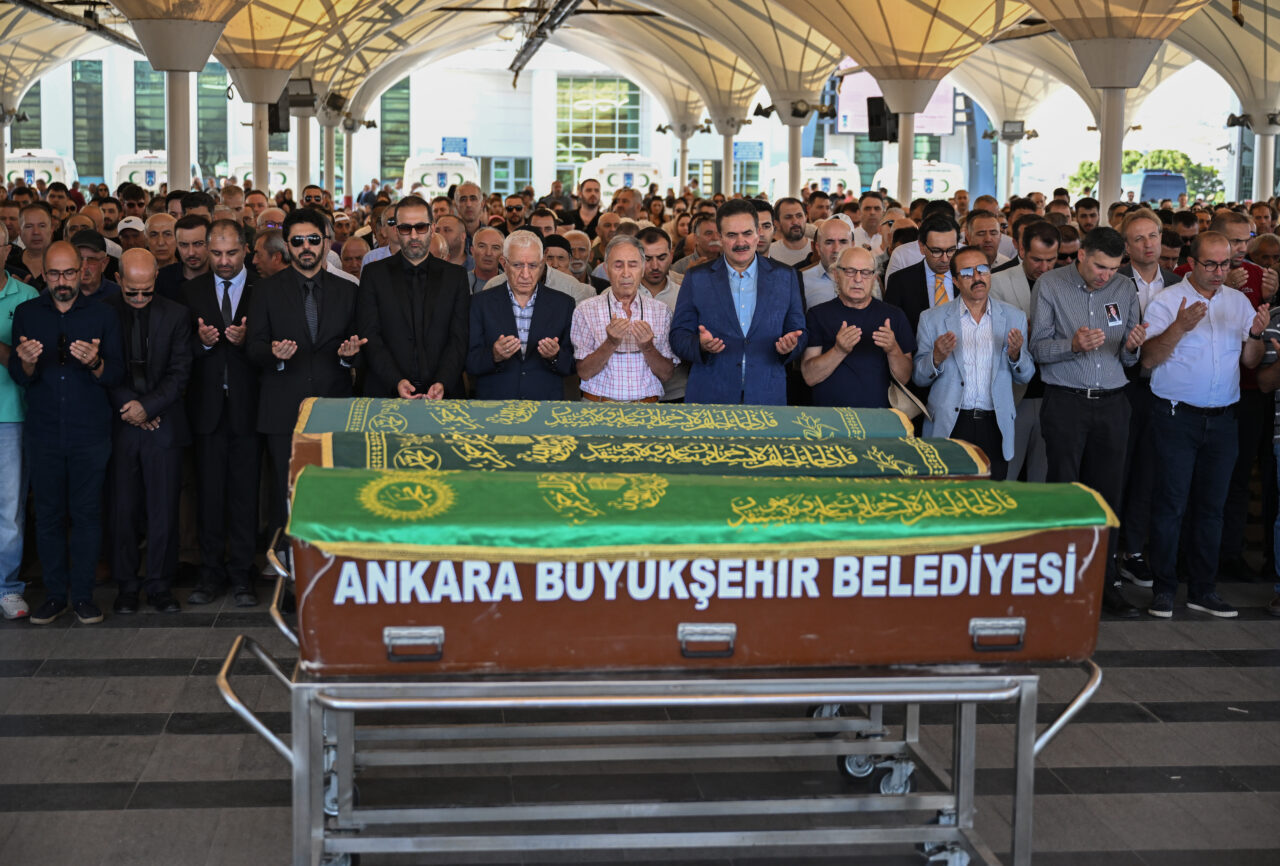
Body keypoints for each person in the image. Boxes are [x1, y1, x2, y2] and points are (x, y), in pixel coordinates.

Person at [1141, 231, 1271, 619]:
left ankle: (1203, 589)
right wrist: (1179, 327)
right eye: (1210, 264)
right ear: (1192, 262)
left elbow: (1250, 361)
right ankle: (1164, 589)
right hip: (1175, 417)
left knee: (1212, 509)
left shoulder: (1238, 302)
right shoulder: (1167, 301)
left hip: (1223, 420)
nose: (1218, 271)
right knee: (1170, 505)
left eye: (1225, 264)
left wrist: (1255, 334)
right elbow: (1148, 359)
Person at [1030, 227, 1148, 617]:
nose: (1106, 275)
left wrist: (1132, 348)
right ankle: (1059, 584)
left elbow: (1128, 359)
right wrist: (1072, 345)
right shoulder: (1050, 284)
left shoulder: (1124, 288)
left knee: (1108, 497)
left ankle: (1105, 583)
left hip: (1113, 403)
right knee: (1065, 494)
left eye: (1113, 268)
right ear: (1081, 254)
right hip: (1066, 402)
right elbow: (1037, 348)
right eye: (1100, 266)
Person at [9, 242, 124, 625]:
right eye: (55, 274)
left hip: (90, 431)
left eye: (69, 273)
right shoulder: (27, 314)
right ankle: (56, 596)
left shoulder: (104, 314)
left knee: (88, 514)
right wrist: (26, 364)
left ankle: (84, 597)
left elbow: (116, 373)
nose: (62, 281)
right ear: (44, 273)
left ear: (82, 271)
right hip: (43, 431)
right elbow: (19, 376)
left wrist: (96, 363)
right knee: (48, 516)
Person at [247, 208, 364, 549]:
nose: (306, 247)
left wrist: (349, 356)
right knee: (285, 494)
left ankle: (331, 565)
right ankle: (286, 567)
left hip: (334, 407)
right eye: (297, 241)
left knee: (333, 491)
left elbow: (361, 346)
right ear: (287, 245)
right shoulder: (266, 290)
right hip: (282, 408)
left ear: (326, 242)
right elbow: (253, 348)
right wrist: (274, 354)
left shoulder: (348, 290)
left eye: (313, 239)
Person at [105, 249, 192, 615]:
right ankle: (126, 585)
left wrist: (149, 408)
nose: (140, 298)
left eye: (147, 290)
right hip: (121, 424)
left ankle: (159, 585)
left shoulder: (177, 314)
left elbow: (180, 373)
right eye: (132, 291)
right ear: (118, 280)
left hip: (163, 424)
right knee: (122, 511)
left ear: (156, 278)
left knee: (163, 511)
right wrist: (132, 407)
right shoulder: (104, 312)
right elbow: (102, 368)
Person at [182, 220, 261, 608]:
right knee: (209, 496)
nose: (224, 261)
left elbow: (270, 348)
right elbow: (178, 350)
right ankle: (210, 574)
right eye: (216, 253)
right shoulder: (191, 291)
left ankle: (243, 575)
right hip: (207, 410)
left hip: (250, 409)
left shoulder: (265, 288)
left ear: (246, 249)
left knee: (246, 497)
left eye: (231, 253)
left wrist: (248, 342)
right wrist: (202, 344)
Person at [914, 247, 1035, 480]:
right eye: (968, 273)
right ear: (955, 281)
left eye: (982, 270)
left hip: (995, 424)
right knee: (948, 496)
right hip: (952, 423)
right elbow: (919, 378)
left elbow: (1026, 375)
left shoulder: (1014, 317)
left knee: (991, 496)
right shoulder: (931, 319)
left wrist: (1016, 355)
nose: (977, 278)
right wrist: (936, 357)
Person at [671, 199, 806, 405]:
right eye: (732, 235)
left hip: (767, 395)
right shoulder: (697, 278)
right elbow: (678, 336)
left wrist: (791, 346)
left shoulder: (785, 277)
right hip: (710, 396)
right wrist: (700, 345)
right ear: (720, 237)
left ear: (758, 233)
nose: (740, 242)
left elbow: (800, 332)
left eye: (747, 233)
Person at [357, 195, 469, 399]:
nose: (414, 235)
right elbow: (370, 335)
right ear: (396, 230)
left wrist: (443, 381)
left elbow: (459, 338)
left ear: (432, 228)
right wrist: (395, 381)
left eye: (421, 227)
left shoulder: (456, 277)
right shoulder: (374, 275)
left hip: (444, 394)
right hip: (386, 392)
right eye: (406, 228)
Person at [466, 231, 575, 400]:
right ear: (504, 263)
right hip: (494, 405)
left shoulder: (563, 305)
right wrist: (493, 355)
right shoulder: (480, 303)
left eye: (532, 266)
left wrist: (555, 356)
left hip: (545, 405)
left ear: (542, 264)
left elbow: (572, 366)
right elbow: (469, 363)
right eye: (517, 265)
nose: (525, 274)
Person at [802, 246, 913, 408]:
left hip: (881, 417)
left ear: (875, 277)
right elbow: (809, 377)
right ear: (836, 275)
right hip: (830, 417)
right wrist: (839, 350)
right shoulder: (817, 315)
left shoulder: (895, 316)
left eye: (866, 272)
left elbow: (905, 378)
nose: (858, 279)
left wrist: (892, 349)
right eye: (850, 271)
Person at [572, 235, 677, 402]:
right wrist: (610, 343)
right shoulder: (585, 310)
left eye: (633, 265)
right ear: (606, 269)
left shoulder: (661, 311)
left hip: (646, 408)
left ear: (643, 268)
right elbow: (584, 372)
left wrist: (648, 347)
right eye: (618, 265)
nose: (626, 273)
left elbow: (666, 374)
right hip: (598, 406)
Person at [0, 225, 38, 619]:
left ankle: (8, 587)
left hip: (11, 414)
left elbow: (30, 363)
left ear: (6, 249)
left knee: (9, 508)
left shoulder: (26, 297)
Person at [885, 214, 960, 333]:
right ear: (921, 247)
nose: (945, 259)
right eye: (936, 251)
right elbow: (892, 329)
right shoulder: (899, 282)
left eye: (951, 250)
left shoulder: (968, 276)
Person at [799, 217, 853, 310]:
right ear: (817, 247)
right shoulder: (801, 281)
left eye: (843, 242)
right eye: (829, 242)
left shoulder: (867, 279)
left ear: (852, 245)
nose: (836, 249)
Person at [768, 197, 810, 266]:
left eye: (799, 216)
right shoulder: (769, 253)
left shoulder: (819, 249)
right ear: (777, 223)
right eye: (788, 217)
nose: (795, 222)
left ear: (806, 218)